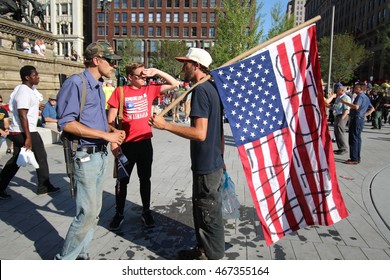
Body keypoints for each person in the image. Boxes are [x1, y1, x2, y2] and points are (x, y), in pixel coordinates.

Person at [148, 48, 225, 260]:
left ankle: (212, 257)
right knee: (205, 211)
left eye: (186, 63)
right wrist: (222, 158)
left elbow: (200, 133)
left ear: (197, 66)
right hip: (213, 162)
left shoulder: (201, 90)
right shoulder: (212, 87)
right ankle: (203, 250)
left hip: (207, 166)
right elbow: (217, 130)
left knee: (207, 213)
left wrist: (166, 126)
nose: (183, 68)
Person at [55, 42, 125, 260]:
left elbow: (92, 119)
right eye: (110, 61)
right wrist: (107, 136)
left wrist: (110, 128)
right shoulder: (77, 83)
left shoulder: (97, 86)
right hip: (85, 156)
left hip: (99, 154)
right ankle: (65, 262)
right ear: (96, 60)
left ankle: (81, 254)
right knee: (86, 213)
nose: (114, 65)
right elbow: (66, 123)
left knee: (94, 213)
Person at [107, 63, 178, 230]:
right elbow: (110, 122)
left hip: (145, 143)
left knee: (145, 179)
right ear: (130, 77)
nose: (144, 78)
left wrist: (156, 72)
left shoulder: (150, 89)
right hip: (126, 145)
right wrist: (113, 143)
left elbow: (175, 84)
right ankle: (119, 213)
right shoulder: (120, 92)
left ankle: (146, 211)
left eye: (145, 75)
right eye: (140, 75)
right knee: (122, 181)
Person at [0, 66, 60, 199]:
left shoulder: (27, 90)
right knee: (41, 157)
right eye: (35, 75)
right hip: (26, 131)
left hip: (20, 131)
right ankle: (43, 186)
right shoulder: (24, 92)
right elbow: (22, 115)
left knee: (16, 160)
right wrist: (28, 137)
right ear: (27, 77)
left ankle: (1, 186)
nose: (38, 77)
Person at [341, 83, 375, 164]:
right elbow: (372, 108)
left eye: (356, 88)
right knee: (357, 139)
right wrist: (364, 115)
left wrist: (345, 102)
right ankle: (356, 157)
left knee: (353, 139)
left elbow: (356, 107)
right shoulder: (366, 97)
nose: (354, 89)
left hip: (356, 119)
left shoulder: (360, 96)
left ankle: (354, 159)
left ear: (361, 89)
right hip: (360, 119)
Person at [332, 86, 351, 155]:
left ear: (342, 90)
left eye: (338, 89)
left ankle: (344, 148)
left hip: (342, 116)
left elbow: (346, 109)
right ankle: (340, 148)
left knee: (340, 132)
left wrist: (342, 118)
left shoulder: (346, 98)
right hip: (337, 116)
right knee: (337, 132)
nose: (337, 90)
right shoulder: (338, 98)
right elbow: (335, 107)